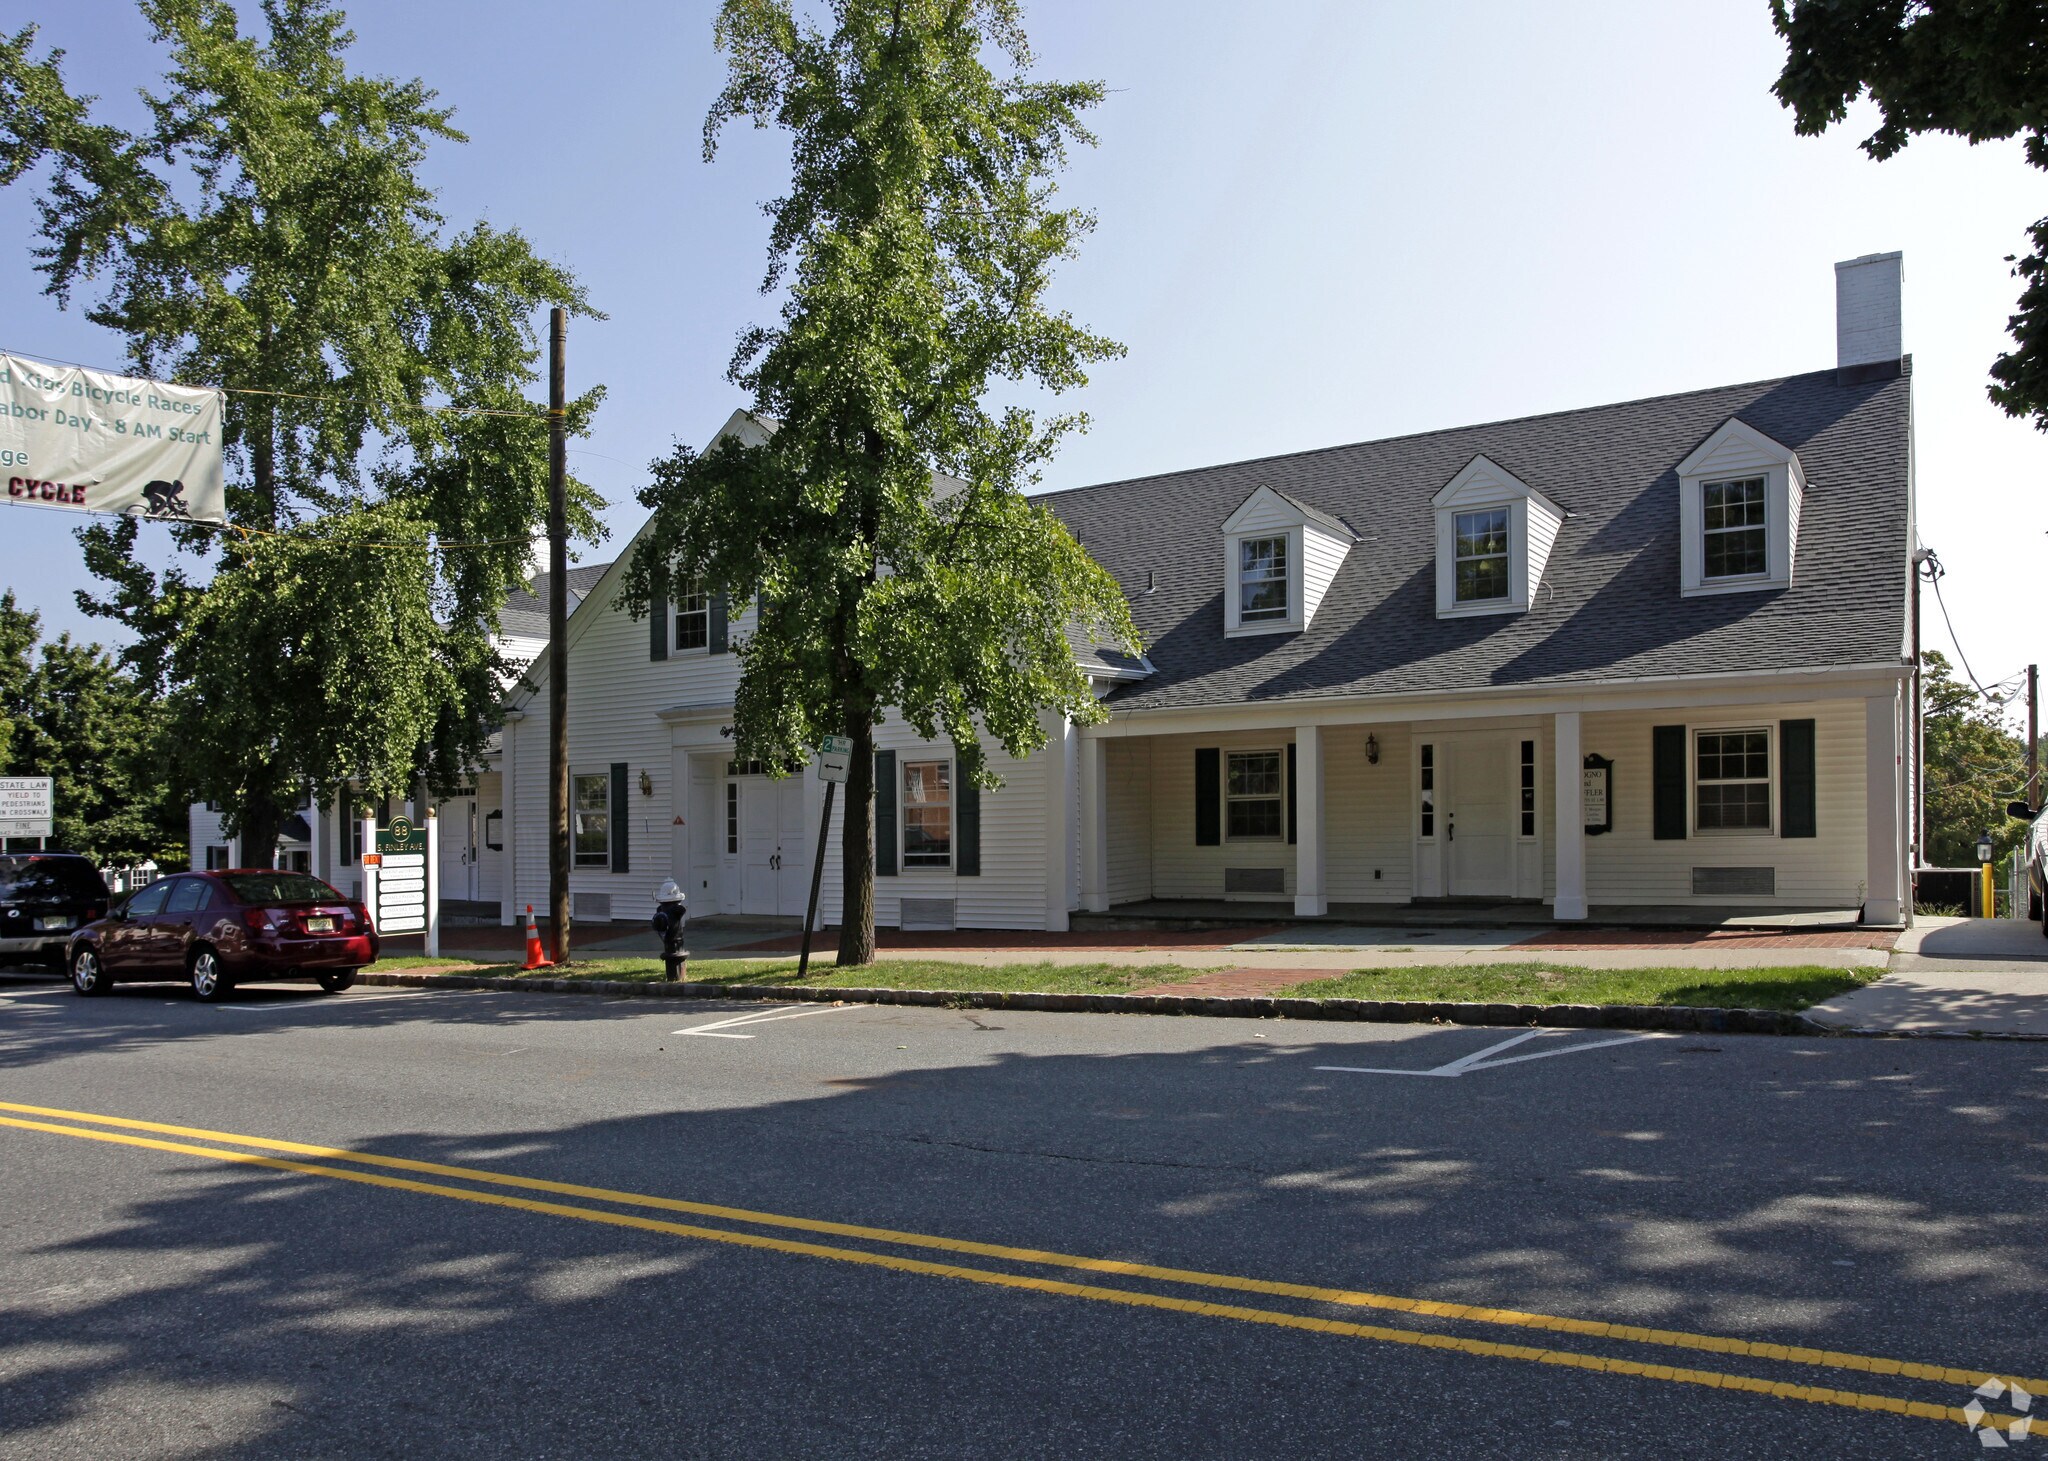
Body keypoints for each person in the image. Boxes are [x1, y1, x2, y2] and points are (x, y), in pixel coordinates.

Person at [651, 880, 687, 982]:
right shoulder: (676, 911)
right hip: (674, 942)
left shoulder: (663, 911)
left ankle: (674, 976)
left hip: (673, 942)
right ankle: (676, 976)